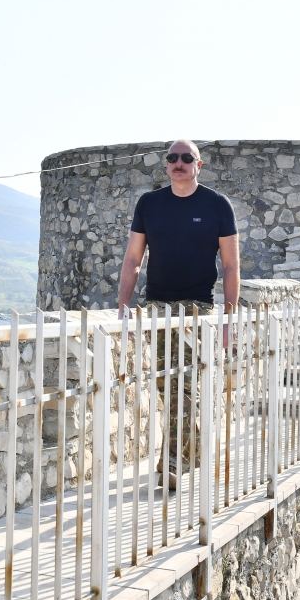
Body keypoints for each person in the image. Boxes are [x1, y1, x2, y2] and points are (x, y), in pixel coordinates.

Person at [116, 138, 240, 487]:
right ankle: (186, 452)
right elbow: (133, 259)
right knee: (165, 385)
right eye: (172, 157)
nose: (179, 163)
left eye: (187, 157)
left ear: (199, 165)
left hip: (197, 310)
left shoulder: (217, 205)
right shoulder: (149, 204)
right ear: (166, 164)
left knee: (184, 387)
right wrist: (123, 306)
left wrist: (229, 320)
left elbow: (231, 266)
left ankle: (173, 462)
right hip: (157, 307)